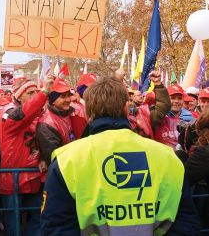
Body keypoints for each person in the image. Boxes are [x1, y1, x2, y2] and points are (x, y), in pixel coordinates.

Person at [41, 76, 199, 236]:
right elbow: (185, 223)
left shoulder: (66, 160)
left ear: (88, 112)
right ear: (126, 107)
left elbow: (56, 227)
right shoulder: (167, 156)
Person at [0, 75, 54, 236]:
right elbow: (25, 112)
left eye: (36, 91)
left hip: (32, 177)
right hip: (12, 179)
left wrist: (43, 157)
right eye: (30, 93)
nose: (35, 95)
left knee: (39, 218)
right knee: (14, 225)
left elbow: (42, 141)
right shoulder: (9, 114)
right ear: (19, 96)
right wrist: (44, 92)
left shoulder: (36, 117)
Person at [37, 78, 83, 166]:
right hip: (61, 172)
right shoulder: (46, 123)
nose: (68, 100)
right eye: (63, 96)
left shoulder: (68, 113)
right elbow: (53, 158)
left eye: (68, 95)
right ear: (53, 100)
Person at [154, 84, 193, 148]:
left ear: (183, 100)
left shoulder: (191, 118)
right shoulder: (158, 116)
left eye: (179, 98)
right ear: (166, 99)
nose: (176, 101)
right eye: (172, 98)